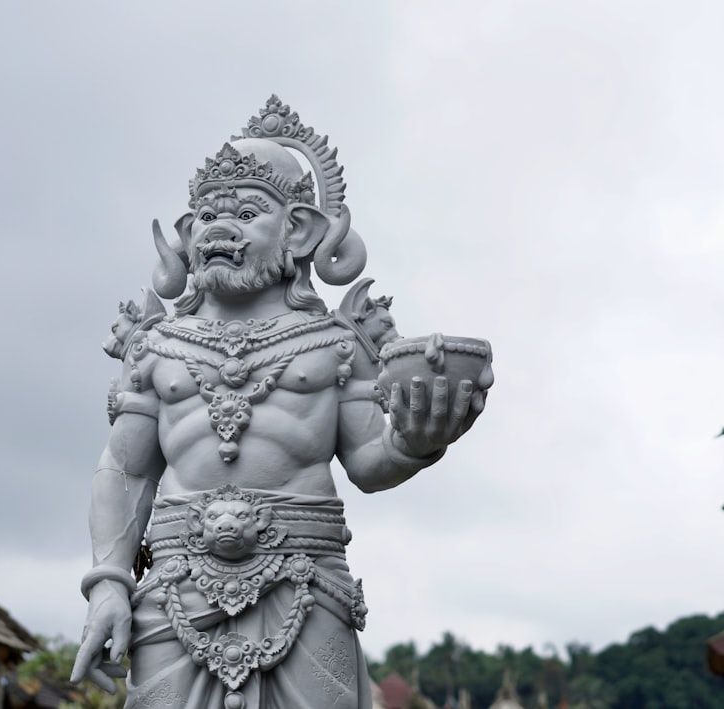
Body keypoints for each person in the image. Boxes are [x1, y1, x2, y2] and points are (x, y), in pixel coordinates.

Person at [71, 96, 488, 709]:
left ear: (298, 231)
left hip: (306, 580)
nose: (220, 227)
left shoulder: (334, 343)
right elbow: (124, 469)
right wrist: (108, 584)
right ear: (187, 236)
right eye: (207, 215)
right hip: (175, 586)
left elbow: (371, 464)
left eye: (245, 212)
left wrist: (416, 443)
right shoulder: (157, 345)